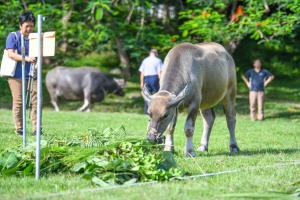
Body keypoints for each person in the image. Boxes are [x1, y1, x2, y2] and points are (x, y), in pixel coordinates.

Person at [6, 11, 38, 135]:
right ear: (20, 25)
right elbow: (11, 54)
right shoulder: (13, 36)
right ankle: (19, 128)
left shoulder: (35, 38)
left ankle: (36, 129)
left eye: (31, 26)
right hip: (16, 75)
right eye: (26, 26)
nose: (29, 29)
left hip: (32, 74)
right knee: (19, 101)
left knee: (36, 101)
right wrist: (26, 58)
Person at [139, 49, 163, 113]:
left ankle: (146, 110)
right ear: (156, 54)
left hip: (146, 78)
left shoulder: (145, 60)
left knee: (147, 94)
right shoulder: (158, 60)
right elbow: (159, 72)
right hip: (154, 78)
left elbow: (142, 72)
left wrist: (141, 82)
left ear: (150, 53)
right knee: (155, 94)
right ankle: (155, 109)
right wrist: (161, 81)